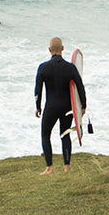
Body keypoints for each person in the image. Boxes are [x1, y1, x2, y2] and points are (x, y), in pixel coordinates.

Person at [34, 37, 86, 175]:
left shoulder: (43, 67)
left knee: (45, 134)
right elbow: (80, 87)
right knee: (65, 135)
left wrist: (37, 106)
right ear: (62, 49)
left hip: (51, 106)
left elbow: (37, 90)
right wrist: (83, 106)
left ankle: (49, 168)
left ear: (49, 50)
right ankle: (67, 167)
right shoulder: (71, 68)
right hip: (67, 106)